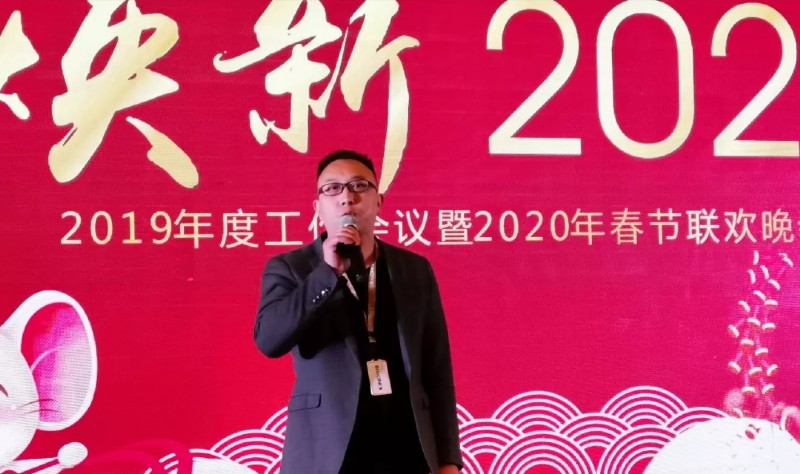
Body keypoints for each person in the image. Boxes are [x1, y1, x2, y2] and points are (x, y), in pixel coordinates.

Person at [254, 150, 462, 474]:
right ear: (318, 208)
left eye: (359, 186)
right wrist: (326, 273)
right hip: (328, 453)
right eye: (332, 188)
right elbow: (269, 339)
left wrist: (448, 459)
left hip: (407, 447)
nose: (347, 198)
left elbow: (437, 370)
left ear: (378, 201)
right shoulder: (290, 268)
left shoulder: (414, 269)